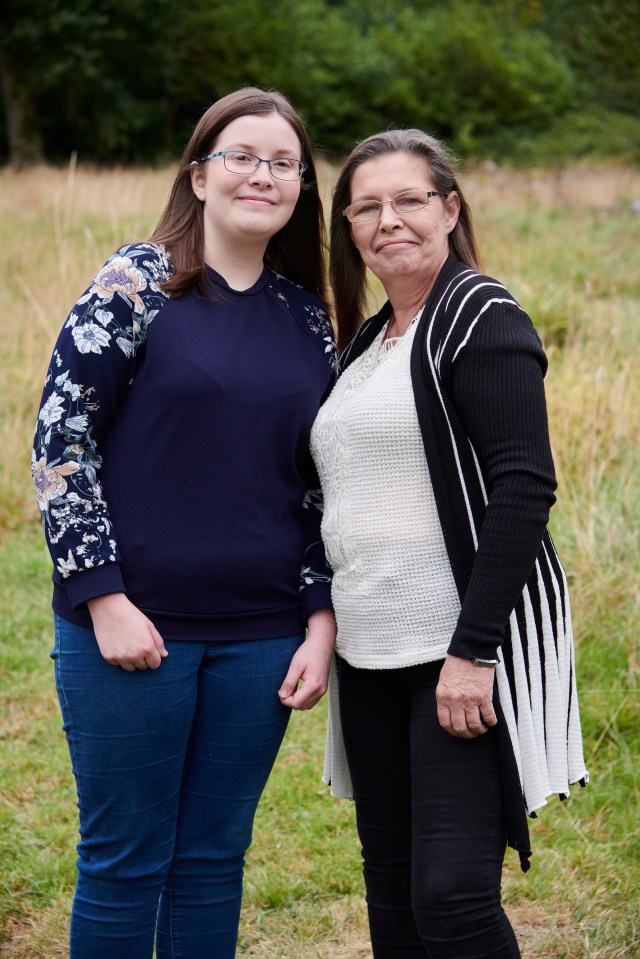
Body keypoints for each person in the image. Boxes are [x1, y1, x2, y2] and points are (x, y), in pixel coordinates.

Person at [32, 87, 337, 959]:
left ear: (301, 186)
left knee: (212, 860)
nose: (262, 174)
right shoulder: (136, 282)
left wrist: (318, 614)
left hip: (263, 636)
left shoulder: (305, 316)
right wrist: (102, 596)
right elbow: (62, 441)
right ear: (199, 174)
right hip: (133, 626)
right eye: (242, 155)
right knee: (124, 864)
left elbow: (319, 480)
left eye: (283, 161)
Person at [310, 129, 588, 959]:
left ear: (449, 208)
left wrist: (474, 650)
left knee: (452, 896)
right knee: (391, 886)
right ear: (349, 227)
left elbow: (524, 484)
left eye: (409, 199)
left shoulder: (480, 315)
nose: (387, 219)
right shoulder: (367, 342)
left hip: (455, 648)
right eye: (366, 206)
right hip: (370, 650)